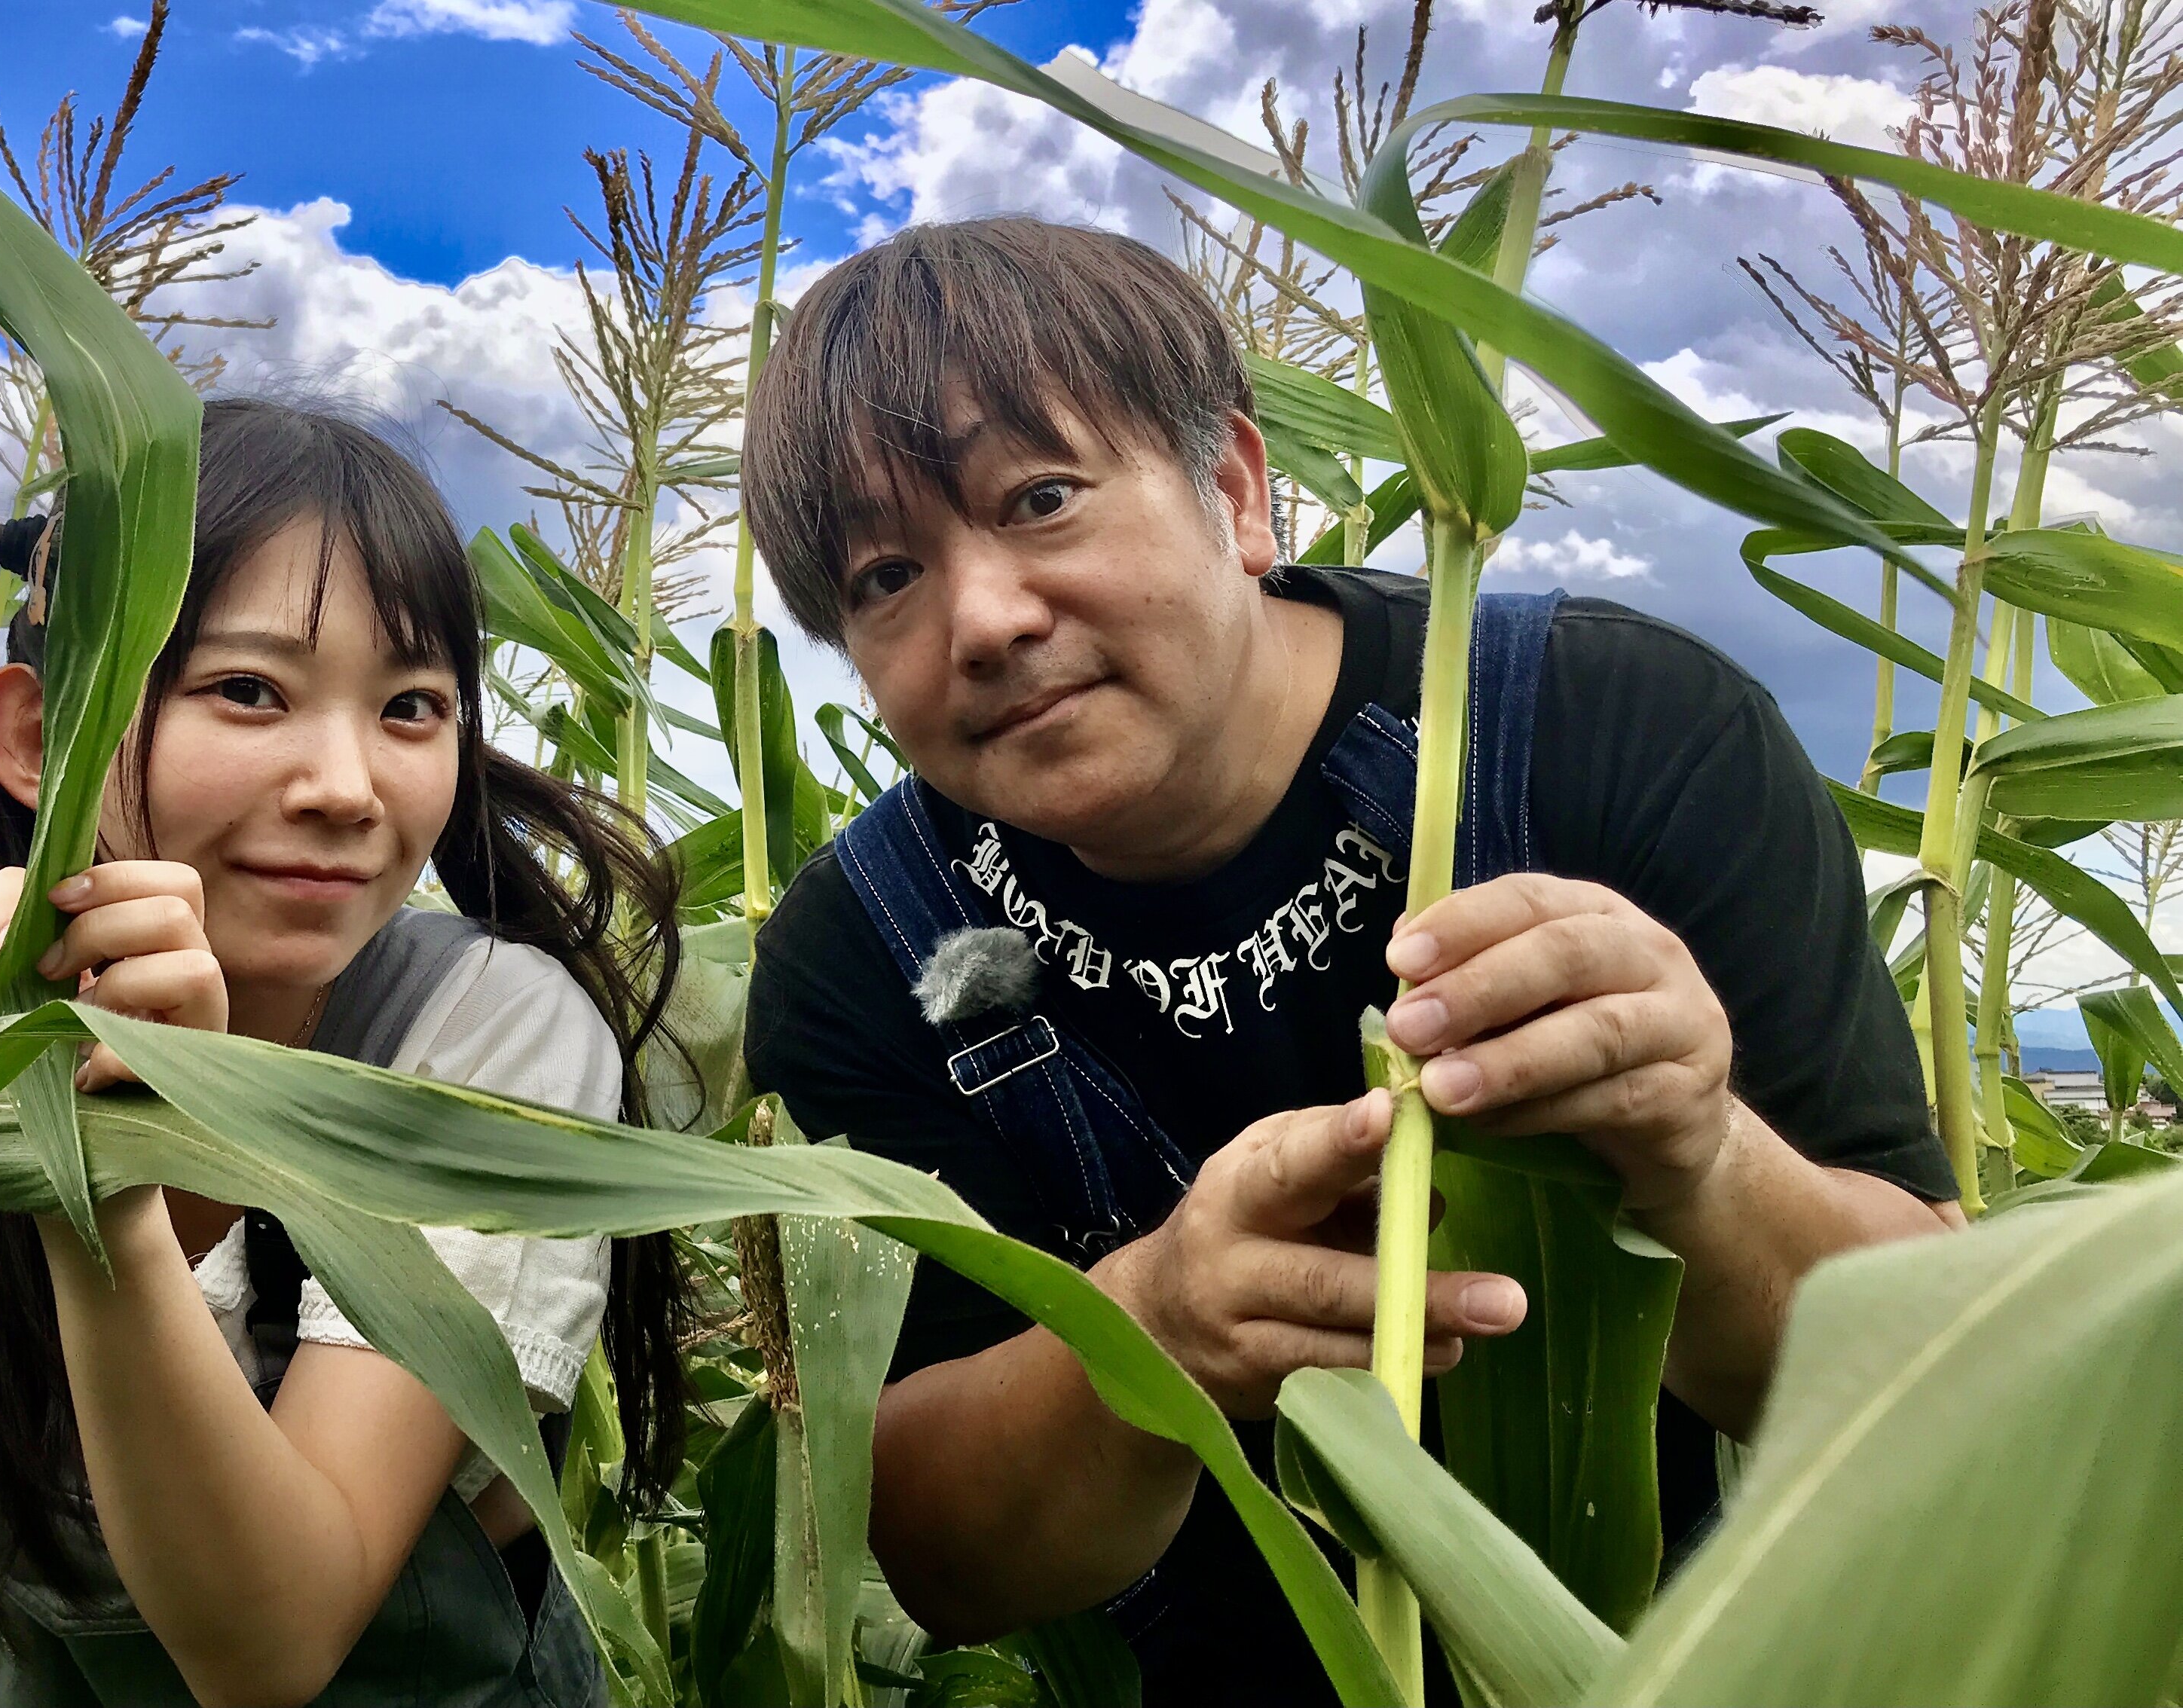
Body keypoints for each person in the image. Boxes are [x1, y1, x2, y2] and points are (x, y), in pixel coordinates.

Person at [736, 217, 1965, 1703]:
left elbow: (1935, 1380)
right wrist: (1152, 1331)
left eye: (1041, 497)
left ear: (1235, 495)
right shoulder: (868, 951)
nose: (982, 620)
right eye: (883, 580)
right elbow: (943, 1556)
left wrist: (1695, 1155)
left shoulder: (1614, 736)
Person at [0, 399, 685, 1708]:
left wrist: (103, 1163)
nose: (345, 784)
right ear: (34, 734)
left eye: (411, 707)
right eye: (247, 690)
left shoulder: (482, 1033)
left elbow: (269, 1651)